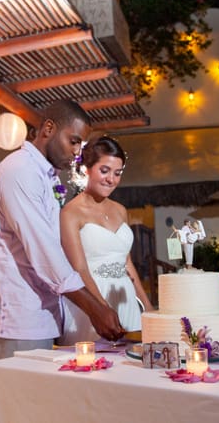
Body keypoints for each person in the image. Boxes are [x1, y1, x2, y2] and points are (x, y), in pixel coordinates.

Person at [0, 100, 125, 360]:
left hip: (46, 312)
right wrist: (94, 308)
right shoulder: (19, 170)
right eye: (74, 141)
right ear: (48, 128)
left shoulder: (45, 176)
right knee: (23, 400)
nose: (78, 152)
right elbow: (44, 251)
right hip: (21, 316)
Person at [57, 136, 153, 345]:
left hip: (125, 298)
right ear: (86, 169)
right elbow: (79, 269)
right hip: (91, 301)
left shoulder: (120, 210)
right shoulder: (70, 213)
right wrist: (102, 309)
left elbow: (126, 263)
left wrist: (148, 308)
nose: (111, 179)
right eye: (104, 171)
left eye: (117, 173)